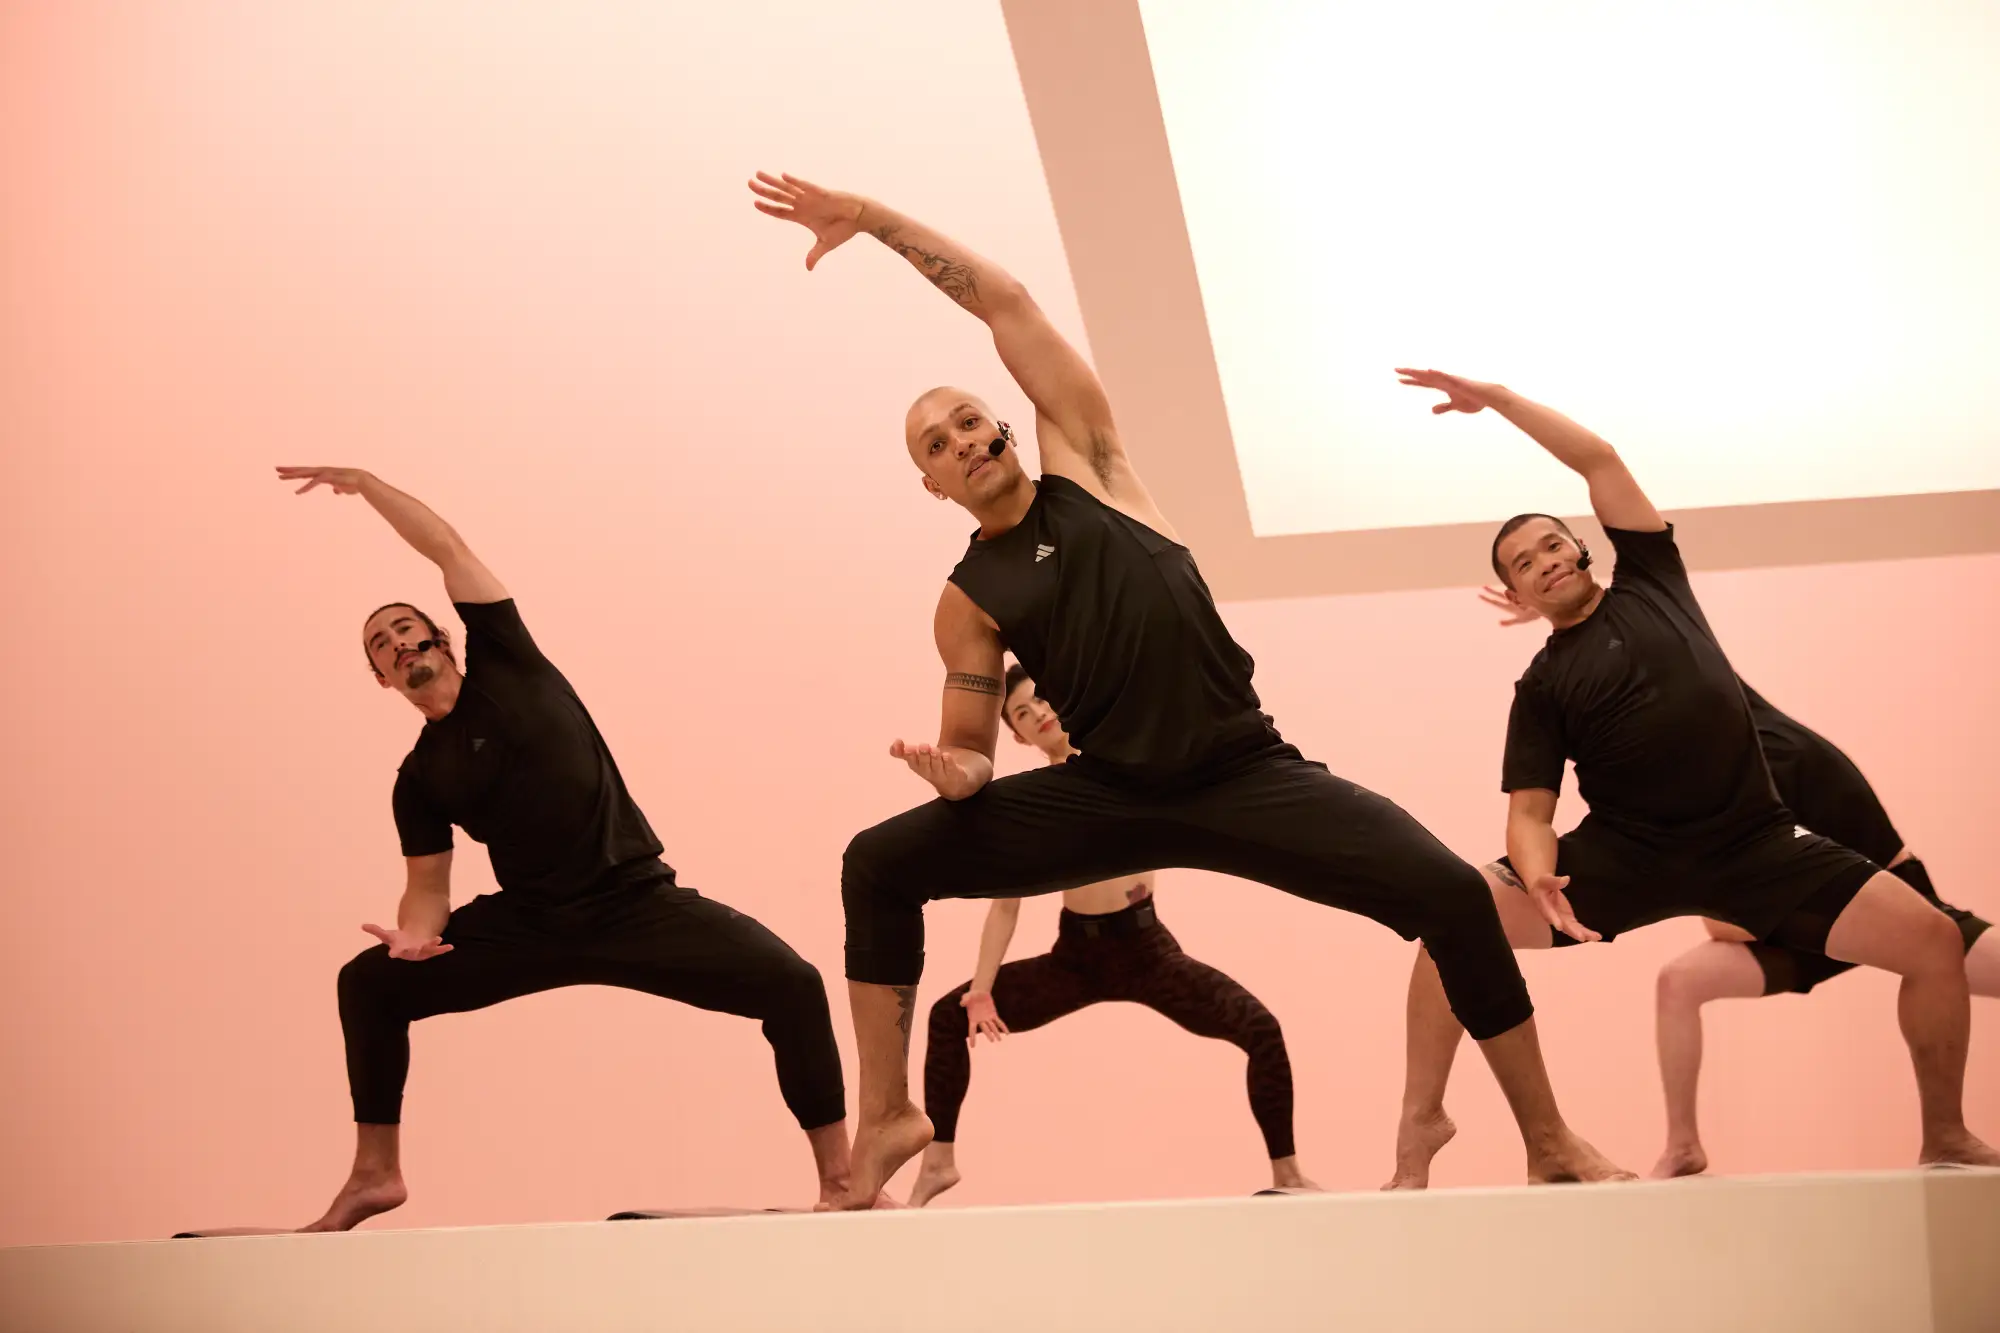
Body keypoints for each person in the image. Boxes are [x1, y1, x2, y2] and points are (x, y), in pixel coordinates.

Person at [749, 171, 1631, 1209]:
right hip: (1111, 794)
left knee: (1452, 895)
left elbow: (1005, 301)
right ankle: (892, 1114)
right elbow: (973, 751)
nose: (963, 442)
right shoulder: (965, 601)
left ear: (1005, 427)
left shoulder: (1088, 464)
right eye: (935, 446)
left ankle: (1547, 1138)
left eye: (971, 420)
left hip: (1242, 773)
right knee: (877, 862)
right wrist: (958, 773)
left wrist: (873, 221)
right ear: (931, 484)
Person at [1380, 370, 1999, 1190]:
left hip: (1754, 844)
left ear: (1582, 547)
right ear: (1515, 592)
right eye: (1523, 563)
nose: (1544, 561)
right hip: (1629, 853)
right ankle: (1425, 1122)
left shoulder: (1652, 576)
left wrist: (1497, 400)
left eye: (1552, 544)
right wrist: (1537, 872)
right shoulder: (1541, 686)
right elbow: (1530, 811)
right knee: (1452, 914)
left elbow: (1599, 458)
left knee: (1933, 939)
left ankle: (1946, 1132)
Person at [275, 466, 855, 1230]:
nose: (397, 641)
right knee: (369, 982)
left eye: (405, 626)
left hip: (634, 903)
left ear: (441, 638)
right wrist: (414, 937)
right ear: (381, 677)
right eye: (379, 644)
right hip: (532, 924)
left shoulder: (507, 658)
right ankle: (376, 1173)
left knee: (793, 983)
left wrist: (365, 483)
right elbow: (428, 887)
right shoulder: (418, 779)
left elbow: (445, 545)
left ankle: (842, 1181)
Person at [1479, 578, 1999, 1175]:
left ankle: (1946, 1135)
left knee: (1933, 941)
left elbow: (1642, 610)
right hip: (1796, 931)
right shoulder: (1695, 781)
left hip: (1887, 904)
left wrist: (1563, 599)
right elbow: (1724, 920)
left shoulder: (1746, 725)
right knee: (1679, 981)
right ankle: (1682, 1145)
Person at [908, 664, 1318, 1205]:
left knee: (1262, 1030)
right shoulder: (1030, 803)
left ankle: (1288, 1175)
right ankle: (938, 1162)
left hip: (1147, 952)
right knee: (948, 1015)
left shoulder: (1127, 763)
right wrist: (981, 989)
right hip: (1076, 958)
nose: (1038, 714)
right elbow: (1005, 904)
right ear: (1017, 736)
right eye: (1022, 714)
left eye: (1042, 700)